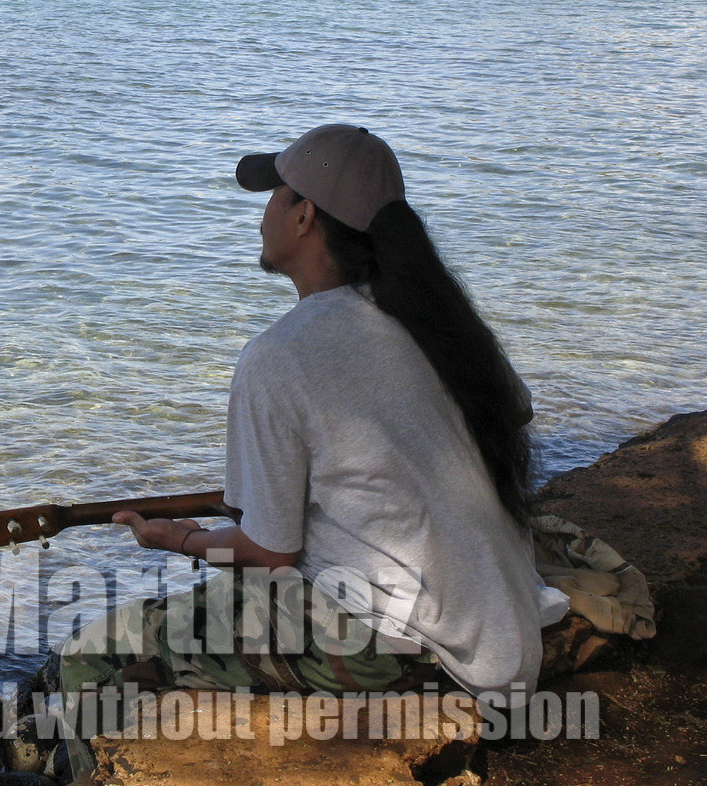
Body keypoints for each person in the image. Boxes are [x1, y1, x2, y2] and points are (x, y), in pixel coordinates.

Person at [56, 124, 567, 750]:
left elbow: (269, 552)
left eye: (275, 195)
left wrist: (181, 540)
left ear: (304, 217)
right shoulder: (437, 322)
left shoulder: (281, 355)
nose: (264, 210)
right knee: (239, 596)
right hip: (501, 633)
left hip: (409, 649)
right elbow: (509, 413)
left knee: (91, 655)